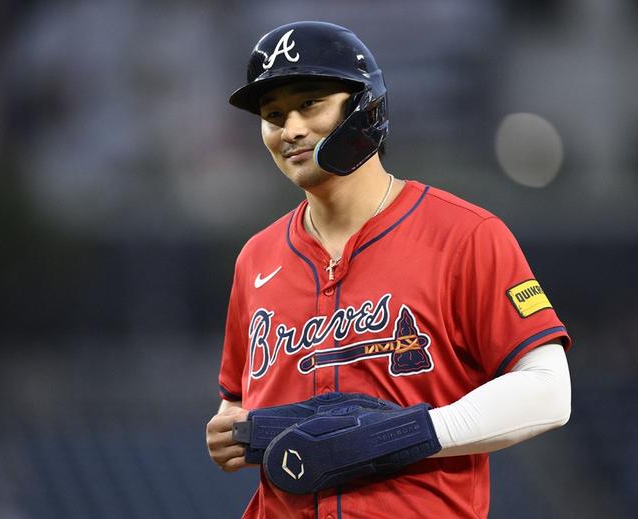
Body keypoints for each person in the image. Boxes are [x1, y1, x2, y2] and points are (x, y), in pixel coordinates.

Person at [206, 21, 572, 519]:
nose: (290, 130)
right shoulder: (257, 258)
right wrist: (231, 429)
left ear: (364, 107)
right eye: (273, 115)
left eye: (310, 104)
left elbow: (548, 391)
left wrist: (401, 434)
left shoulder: (465, 235)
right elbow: (235, 402)